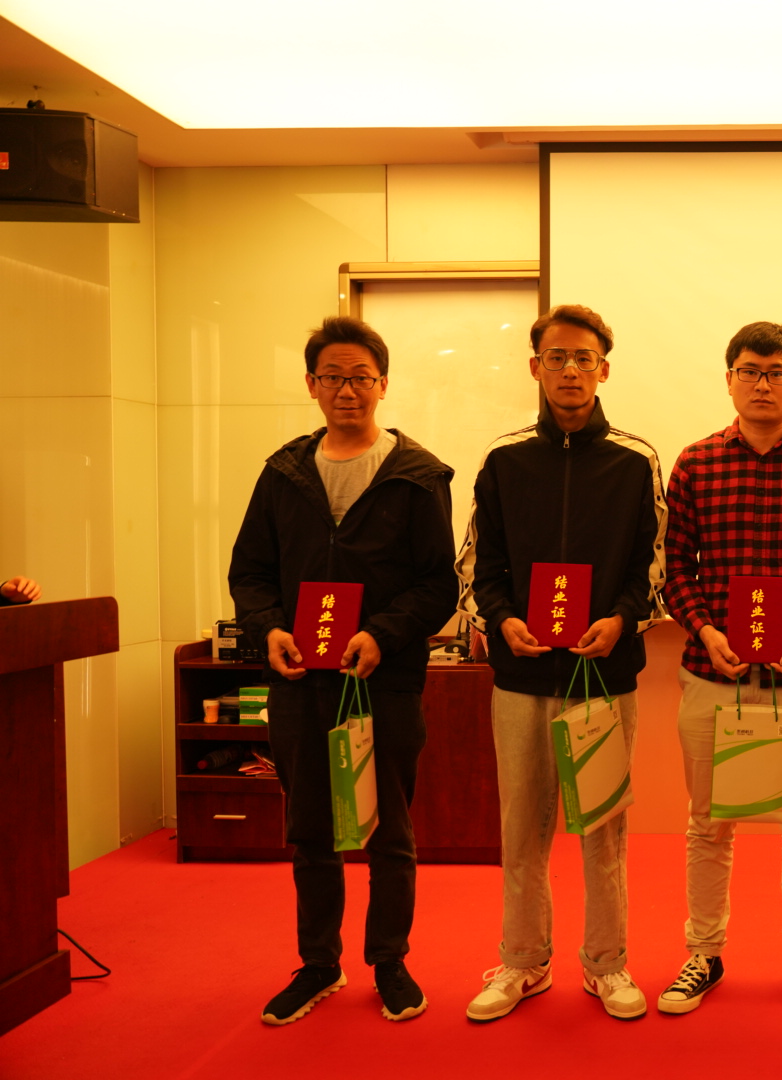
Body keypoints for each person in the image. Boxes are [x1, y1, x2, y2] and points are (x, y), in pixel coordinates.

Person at [229, 315, 457, 1026]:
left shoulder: (418, 476)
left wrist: (382, 635)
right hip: (301, 680)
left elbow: (438, 584)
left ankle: (389, 962)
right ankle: (319, 964)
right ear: (311, 384)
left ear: (383, 384)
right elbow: (250, 572)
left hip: (382, 680)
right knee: (310, 829)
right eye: (333, 377)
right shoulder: (283, 473)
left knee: (388, 830)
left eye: (361, 377)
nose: (347, 390)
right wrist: (268, 629)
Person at [457, 304, 665, 1022]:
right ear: (535, 366)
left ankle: (607, 964)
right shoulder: (504, 458)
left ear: (604, 369)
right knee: (522, 831)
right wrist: (501, 619)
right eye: (556, 357)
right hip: (521, 677)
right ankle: (522, 960)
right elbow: (480, 562)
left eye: (583, 359)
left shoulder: (636, 459)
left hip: (604, 676)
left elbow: (654, 561)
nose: (570, 370)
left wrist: (623, 619)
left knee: (603, 832)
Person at [656, 321, 782, 1019]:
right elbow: (675, 568)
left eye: (776, 372)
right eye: (750, 371)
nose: (763, 384)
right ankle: (704, 951)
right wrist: (705, 630)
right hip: (711, 673)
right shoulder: (695, 462)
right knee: (707, 821)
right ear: (729, 380)